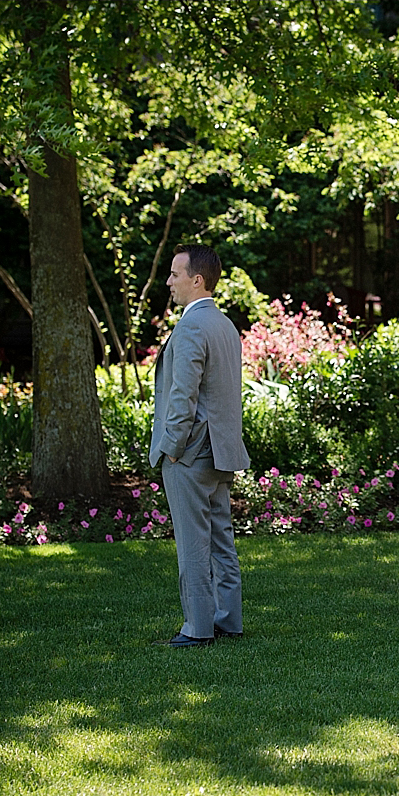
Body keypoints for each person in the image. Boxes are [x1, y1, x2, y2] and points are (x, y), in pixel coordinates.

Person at [150, 243, 250, 648]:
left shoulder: (192, 326)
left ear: (197, 280)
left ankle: (197, 628)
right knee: (221, 540)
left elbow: (183, 396)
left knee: (193, 541)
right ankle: (228, 619)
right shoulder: (225, 324)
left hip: (190, 452)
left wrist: (171, 447)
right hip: (220, 450)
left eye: (175, 274)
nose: (168, 281)